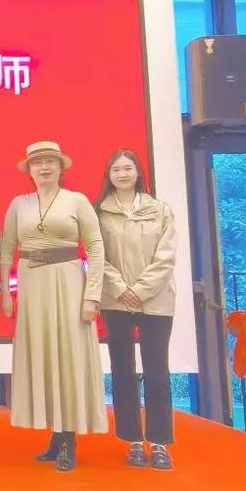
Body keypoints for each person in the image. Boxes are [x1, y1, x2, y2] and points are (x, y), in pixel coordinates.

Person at [0, 141, 107, 472]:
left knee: (68, 357)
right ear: (29, 170)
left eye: (50, 161)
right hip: (32, 286)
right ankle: (55, 435)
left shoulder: (77, 201)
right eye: (37, 163)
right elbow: (6, 250)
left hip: (69, 283)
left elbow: (96, 247)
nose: (44, 167)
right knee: (44, 356)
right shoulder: (19, 204)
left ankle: (69, 438)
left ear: (61, 167)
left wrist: (92, 296)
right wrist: (5, 293)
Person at [96, 149, 178, 471]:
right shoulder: (99, 212)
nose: (122, 174)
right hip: (115, 301)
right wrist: (121, 289)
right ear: (109, 175)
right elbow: (97, 255)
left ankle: (159, 442)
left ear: (138, 172)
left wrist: (140, 290)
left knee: (157, 373)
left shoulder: (160, 210)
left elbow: (166, 256)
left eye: (127, 168)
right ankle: (132, 440)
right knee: (123, 371)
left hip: (156, 301)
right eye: (116, 169)